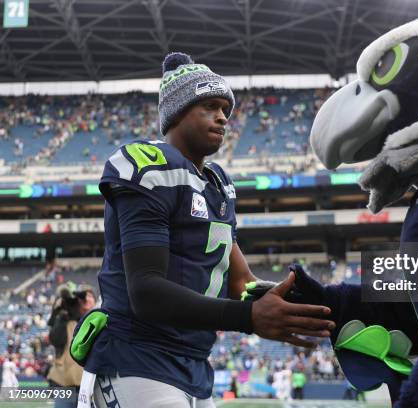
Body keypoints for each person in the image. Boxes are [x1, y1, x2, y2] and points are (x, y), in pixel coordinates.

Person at [83, 52, 334, 408]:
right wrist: (248, 318)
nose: (222, 117)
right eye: (210, 106)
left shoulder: (216, 183)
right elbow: (146, 291)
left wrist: (311, 302)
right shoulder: (149, 167)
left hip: (193, 365)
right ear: (178, 111)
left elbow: (240, 282)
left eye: (225, 110)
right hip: (136, 358)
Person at [47, 284, 96, 408]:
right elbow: (55, 339)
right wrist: (60, 312)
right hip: (65, 385)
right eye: (82, 297)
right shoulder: (67, 320)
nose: (86, 300)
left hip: (91, 386)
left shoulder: (99, 321)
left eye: (90, 296)